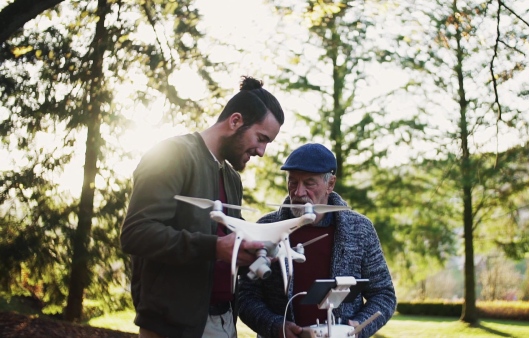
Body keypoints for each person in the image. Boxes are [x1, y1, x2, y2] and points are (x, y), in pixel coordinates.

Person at [120, 76, 285, 338]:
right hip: (171, 327)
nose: (262, 151)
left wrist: (252, 254)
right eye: (261, 138)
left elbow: (223, 252)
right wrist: (216, 247)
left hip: (225, 323)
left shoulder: (232, 179)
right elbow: (136, 234)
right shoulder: (172, 154)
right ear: (235, 121)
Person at [238, 143, 396, 338]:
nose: (298, 192)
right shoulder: (265, 227)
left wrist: (359, 327)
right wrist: (274, 325)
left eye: (309, 183)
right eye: (293, 182)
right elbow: (245, 296)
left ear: (330, 184)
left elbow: (383, 294)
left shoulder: (360, 229)